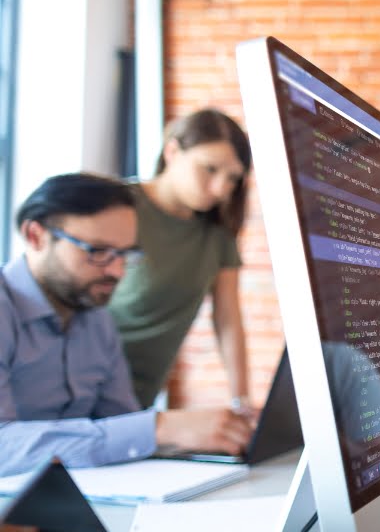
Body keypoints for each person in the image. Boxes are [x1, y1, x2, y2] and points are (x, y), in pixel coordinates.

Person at [0, 174, 252, 477]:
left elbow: (122, 423)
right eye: (97, 252)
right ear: (35, 236)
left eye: (125, 254)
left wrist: (203, 437)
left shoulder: (96, 319)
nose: (117, 271)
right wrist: (158, 428)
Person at [108, 108, 255, 411]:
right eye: (209, 169)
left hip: (138, 404)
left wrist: (241, 402)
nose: (220, 189)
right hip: (82, 389)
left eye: (232, 179)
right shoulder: (118, 205)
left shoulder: (218, 233)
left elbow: (227, 318)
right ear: (173, 150)